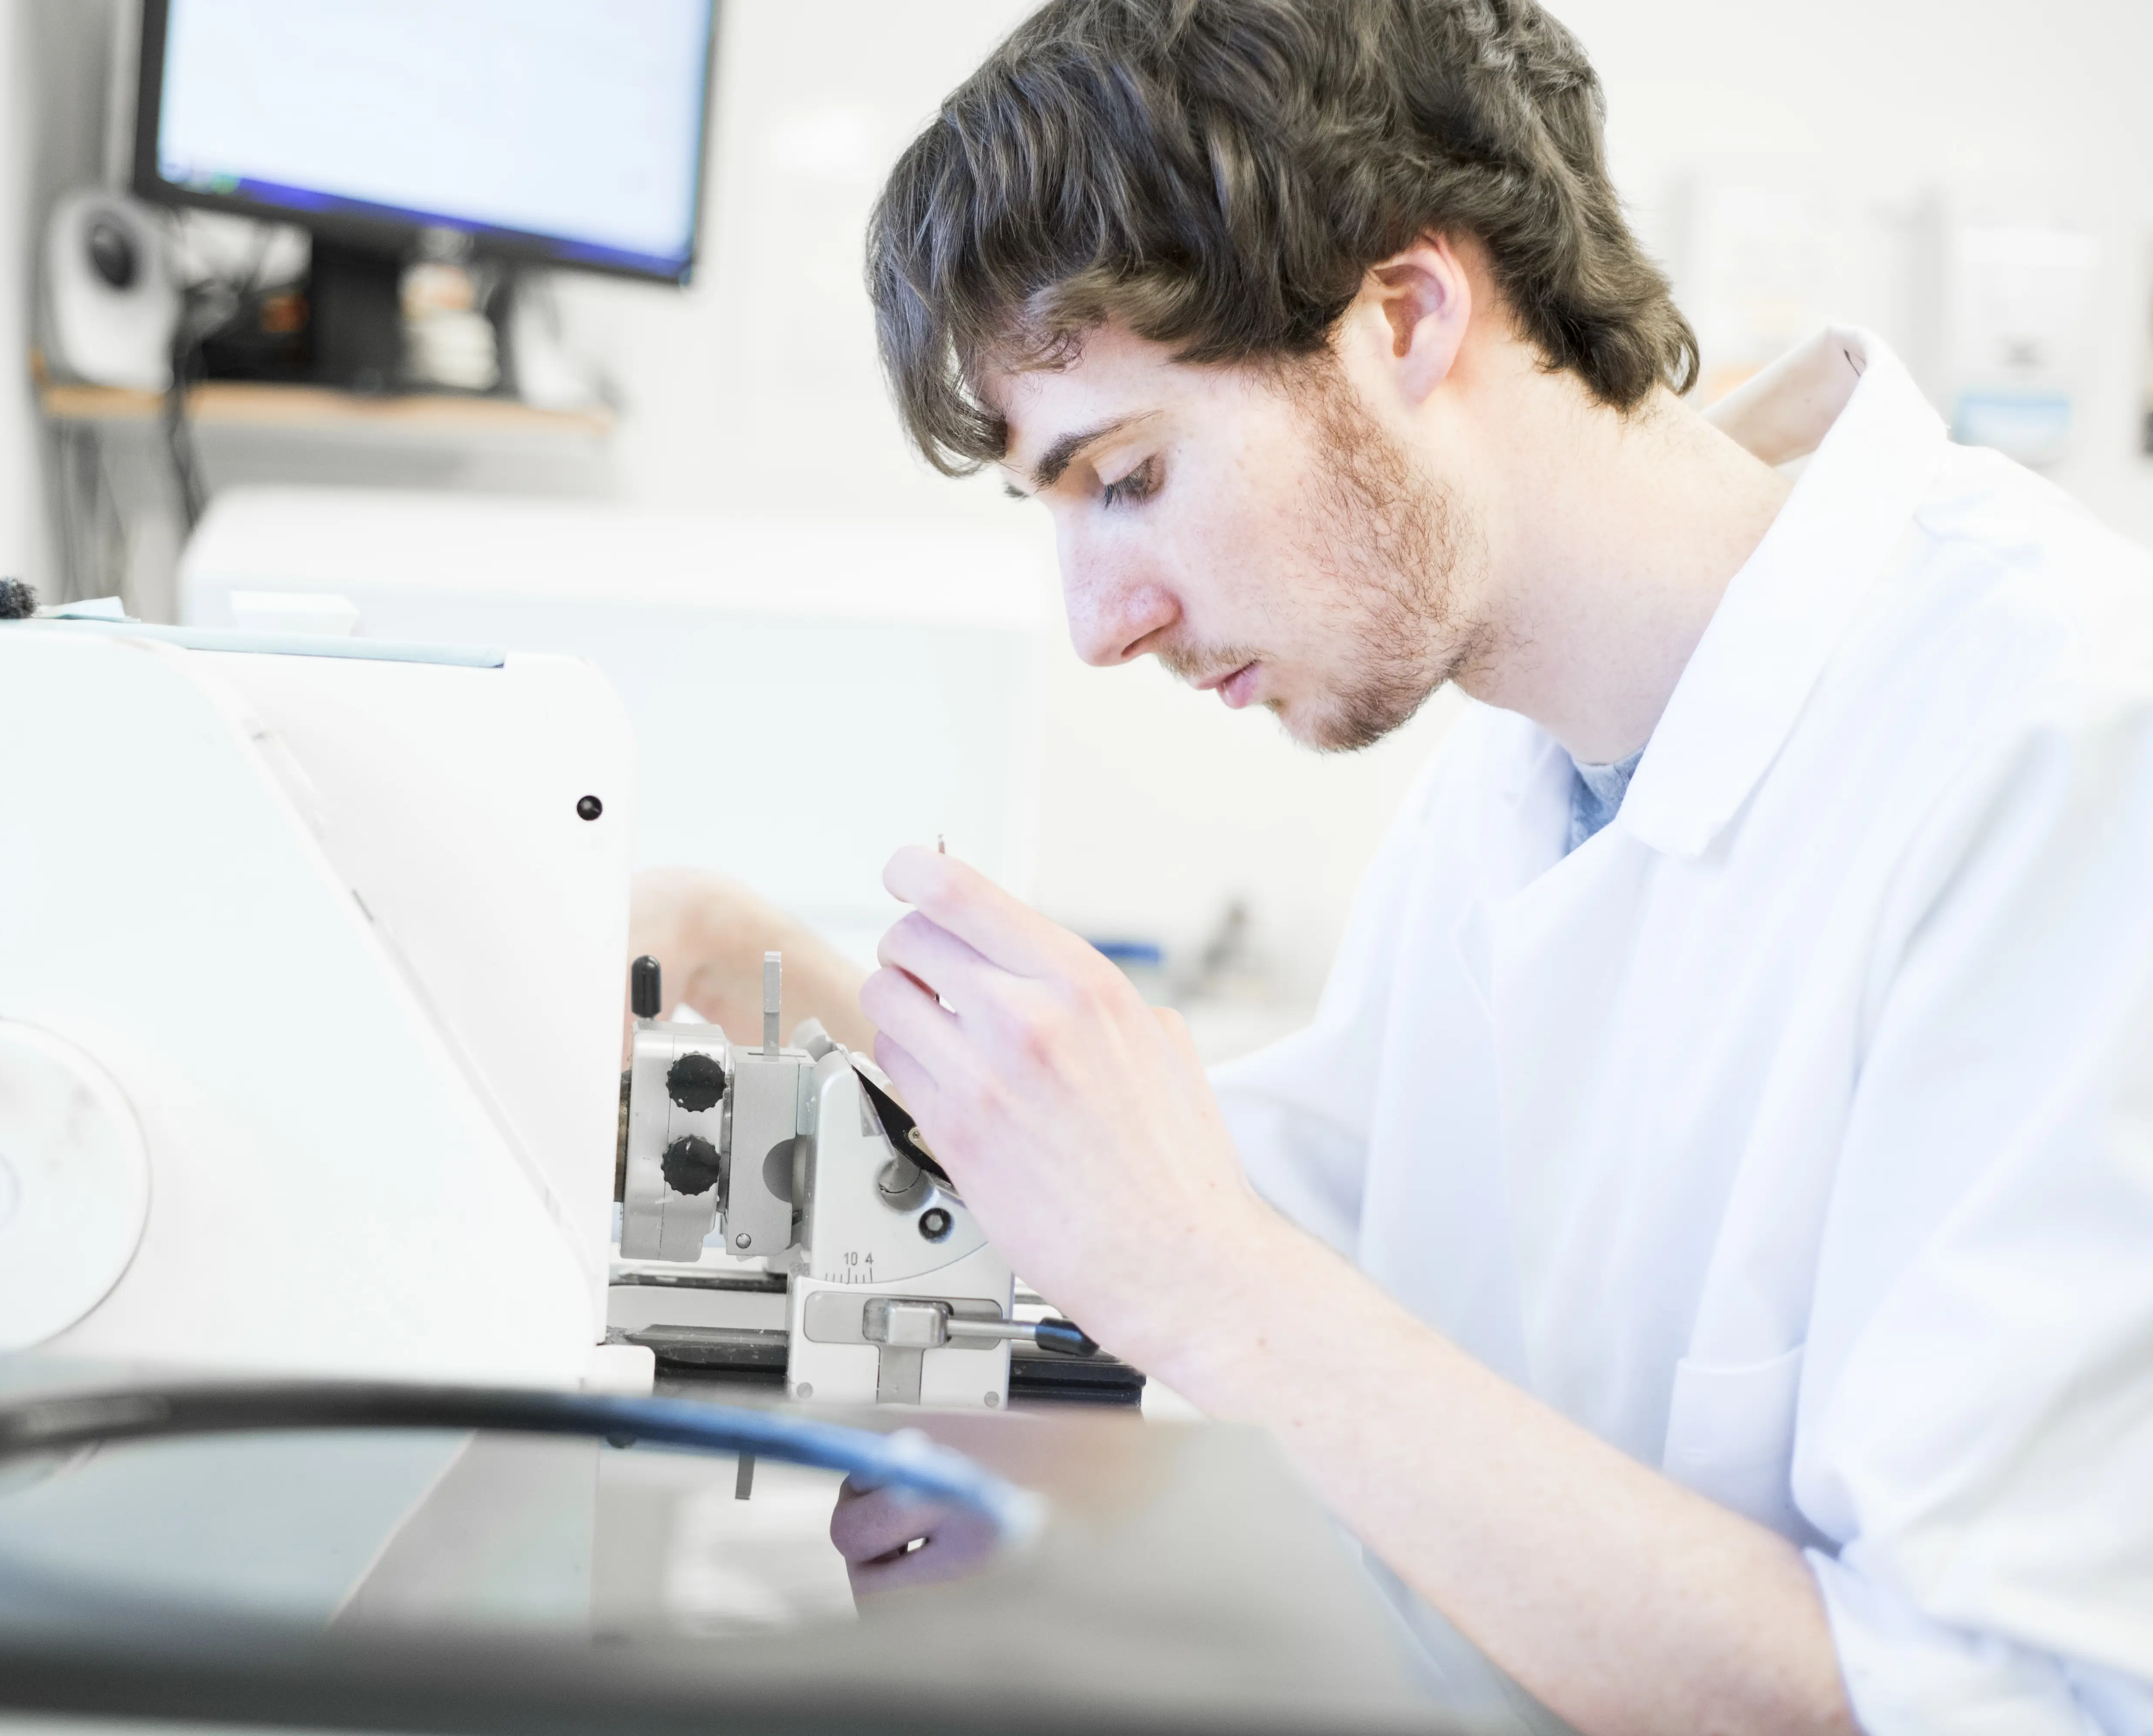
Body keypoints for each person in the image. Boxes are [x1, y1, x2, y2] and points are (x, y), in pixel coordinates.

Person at [638, 2, 2153, 1730]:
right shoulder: (1524, 773)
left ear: (1405, 314)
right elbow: (1236, 1213)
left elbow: (1988, 1701)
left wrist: (1210, 1283)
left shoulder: (2063, 740)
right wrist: (741, 953)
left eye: (1127, 476)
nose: (1096, 619)